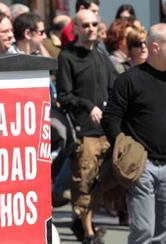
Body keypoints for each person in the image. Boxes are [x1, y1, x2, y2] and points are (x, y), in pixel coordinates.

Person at [56, 9, 118, 244]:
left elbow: (115, 87)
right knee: (84, 182)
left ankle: (82, 223)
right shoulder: (67, 56)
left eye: (94, 24)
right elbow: (65, 95)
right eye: (86, 25)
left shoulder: (101, 55)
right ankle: (88, 232)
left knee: (101, 183)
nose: (91, 29)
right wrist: (88, 106)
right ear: (76, 28)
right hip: (84, 132)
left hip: (106, 131)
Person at [102, 23, 166, 244]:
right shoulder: (130, 80)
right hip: (141, 165)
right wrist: (124, 149)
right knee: (144, 230)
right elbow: (110, 117)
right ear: (156, 47)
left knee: (162, 231)